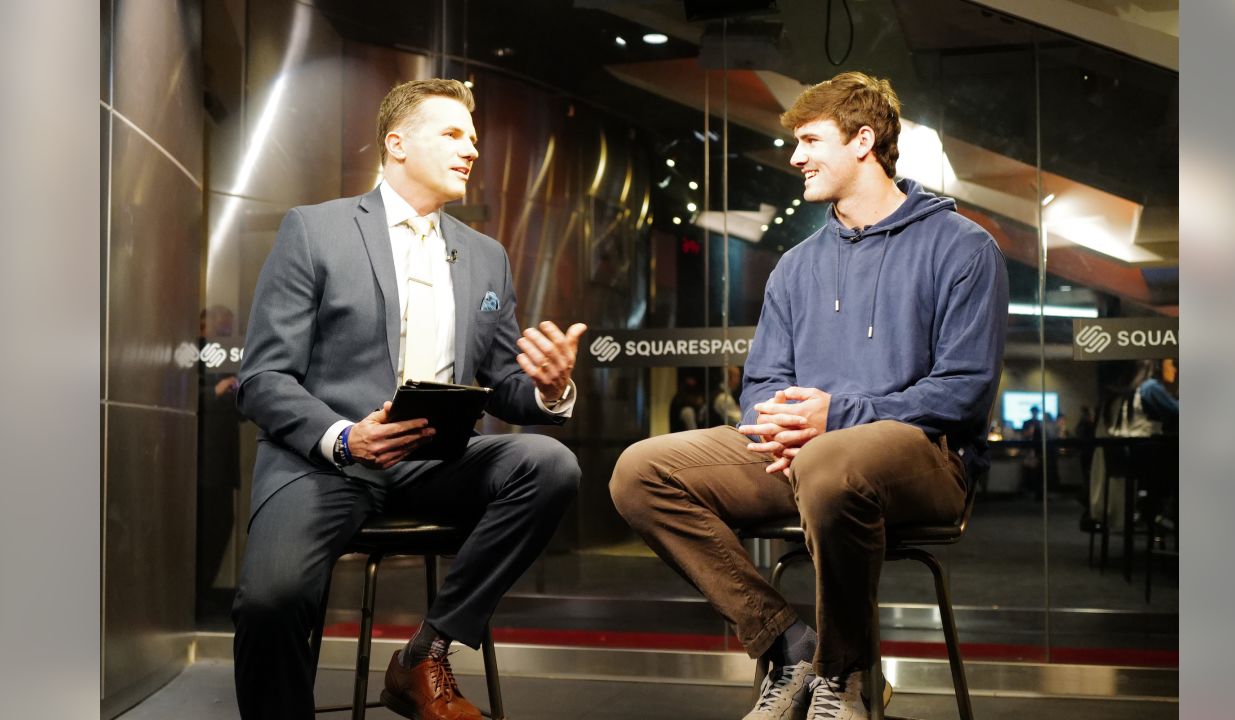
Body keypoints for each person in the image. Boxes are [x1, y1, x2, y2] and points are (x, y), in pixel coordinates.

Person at [610, 71, 1007, 720]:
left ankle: (846, 675)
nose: (795, 156)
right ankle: (790, 644)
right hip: (806, 458)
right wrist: (786, 426)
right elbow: (763, 382)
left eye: (810, 139)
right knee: (640, 472)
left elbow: (962, 392)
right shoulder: (796, 266)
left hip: (928, 460)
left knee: (831, 462)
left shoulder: (963, 248)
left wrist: (837, 418)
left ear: (864, 141)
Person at [232, 79, 587, 720]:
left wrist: (550, 388)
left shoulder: (486, 257)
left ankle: (424, 651)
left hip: (437, 462)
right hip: (328, 462)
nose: (471, 149)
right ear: (396, 143)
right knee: (270, 601)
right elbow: (263, 378)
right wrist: (344, 436)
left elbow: (504, 384)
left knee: (550, 465)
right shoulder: (315, 230)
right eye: (453, 134)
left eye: (474, 138)